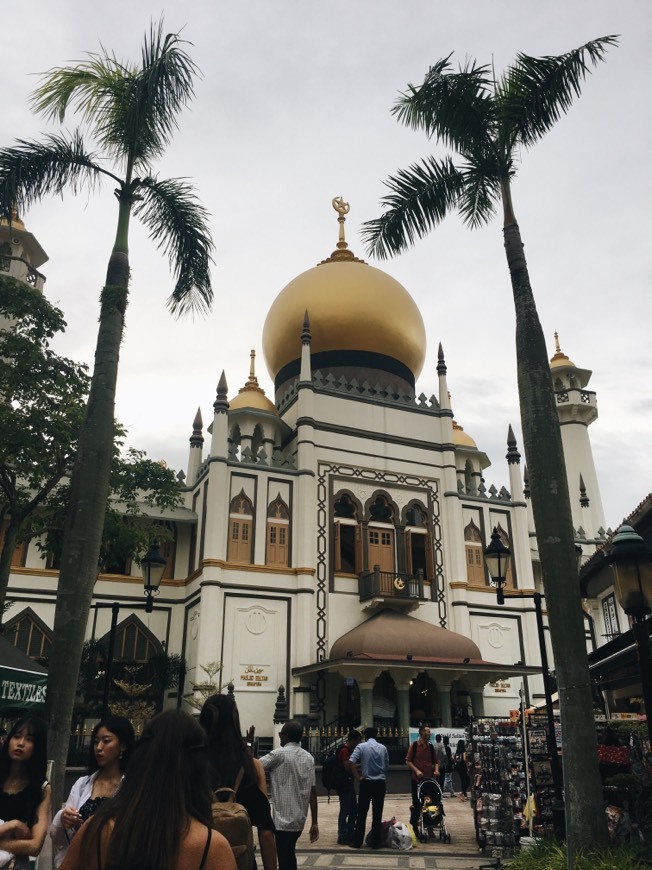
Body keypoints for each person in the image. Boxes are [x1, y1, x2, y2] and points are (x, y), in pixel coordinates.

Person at [60, 709, 235, 870]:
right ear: (199, 769)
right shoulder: (210, 847)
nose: (99, 747)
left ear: (141, 759)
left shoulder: (98, 829)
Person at [199, 693, 277, 870]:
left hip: (200, 859)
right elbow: (265, 832)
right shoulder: (251, 767)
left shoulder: (190, 765)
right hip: (241, 861)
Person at [50, 715, 135, 867]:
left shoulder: (131, 788)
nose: (99, 747)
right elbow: (57, 837)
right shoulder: (83, 784)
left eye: (106, 741)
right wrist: (64, 818)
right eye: (96, 742)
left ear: (123, 746)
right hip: (77, 862)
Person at [259, 720, 318, 870]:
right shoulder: (309, 758)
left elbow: (255, 766)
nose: (279, 737)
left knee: (286, 858)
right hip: (299, 819)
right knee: (288, 854)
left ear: (285, 736)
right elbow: (313, 792)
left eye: (280, 734)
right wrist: (315, 822)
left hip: (282, 821)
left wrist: (247, 745)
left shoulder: (279, 754)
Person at [0, 715, 52, 870]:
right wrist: (13, 825)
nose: (20, 743)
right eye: (16, 736)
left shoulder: (41, 789)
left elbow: (35, 846)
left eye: (29, 739)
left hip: (14, 865)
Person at [348, 726, 389, 850]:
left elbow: (351, 762)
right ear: (376, 735)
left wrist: (357, 777)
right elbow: (386, 765)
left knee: (361, 813)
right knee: (377, 813)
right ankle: (375, 842)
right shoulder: (383, 748)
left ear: (365, 736)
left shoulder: (361, 747)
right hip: (380, 783)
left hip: (366, 783)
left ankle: (357, 841)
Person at [405, 724, 437, 829]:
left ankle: (430, 826)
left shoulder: (431, 747)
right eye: (427, 731)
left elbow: (436, 761)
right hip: (417, 779)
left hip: (429, 779)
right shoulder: (414, 746)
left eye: (429, 731)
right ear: (422, 732)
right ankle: (414, 826)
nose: (429, 733)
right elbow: (408, 761)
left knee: (430, 802)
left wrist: (436, 770)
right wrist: (417, 770)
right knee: (417, 803)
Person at [335, 730, 360, 845]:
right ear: (353, 740)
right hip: (345, 785)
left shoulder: (345, 749)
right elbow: (347, 767)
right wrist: (355, 769)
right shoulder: (345, 751)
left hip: (347, 784)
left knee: (353, 809)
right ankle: (342, 835)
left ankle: (350, 832)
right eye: (358, 740)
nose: (358, 743)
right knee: (345, 810)